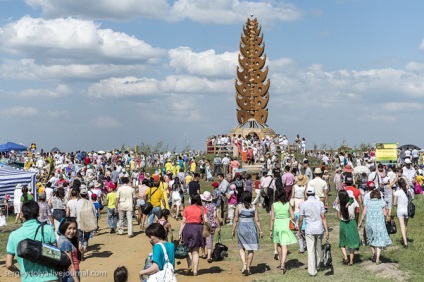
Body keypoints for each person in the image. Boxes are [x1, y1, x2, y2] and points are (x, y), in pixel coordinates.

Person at [6, 200, 58, 281]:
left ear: (22, 215)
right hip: (50, 278)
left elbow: (9, 264)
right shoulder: (47, 229)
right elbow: (57, 256)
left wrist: (20, 273)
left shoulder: (13, 235)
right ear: (38, 213)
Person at [298, 186, 329, 277]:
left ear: (306, 194)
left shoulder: (303, 204)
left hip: (309, 229)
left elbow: (300, 219)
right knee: (318, 248)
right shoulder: (320, 203)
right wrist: (327, 230)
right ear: (314, 193)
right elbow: (323, 217)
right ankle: (318, 265)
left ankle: (312, 270)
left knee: (311, 250)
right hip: (319, 228)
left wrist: (299, 229)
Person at [231, 191, 264, 276]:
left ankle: (244, 264)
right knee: (251, 248)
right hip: (251, 228)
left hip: (242, 227)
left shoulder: (239, 206)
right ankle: (248, 268)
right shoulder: (253, 207)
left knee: (241, 247)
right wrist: (260, 230)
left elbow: (236, 219)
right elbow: (257, 220)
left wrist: (233, 230)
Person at [358, 189, 392, 265]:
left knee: (371, 239)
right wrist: (388, 218)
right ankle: (377, 258)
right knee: (379, 241)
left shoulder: (368, 202)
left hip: (369, 224)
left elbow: (363, 213)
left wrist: (360, 223)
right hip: (379, 224)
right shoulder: (381, 202)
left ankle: (374, 254)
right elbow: (385, 213)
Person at [178, 194, 208, 276]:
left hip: (188, 228)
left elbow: (183, 221)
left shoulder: (187, 208)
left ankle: (190, 266)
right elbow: (206, 220)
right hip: (198, 229)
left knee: (188, 250)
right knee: (196, 251)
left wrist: (180, 232)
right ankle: (195, 271)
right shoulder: (202, 208)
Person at [270, 188, 297, 274]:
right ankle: (283, 263)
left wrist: (270, 229)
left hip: (277, 224)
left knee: (278, 243)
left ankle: (281, 260)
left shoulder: (274, 205)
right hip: (286, 224)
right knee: (284, 245)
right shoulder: (287, 204)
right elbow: (293, 216)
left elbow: (272, 218)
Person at [336, 190, 360, 266]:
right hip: (352, 222)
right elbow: (356, 211)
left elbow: (338, 217)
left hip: (343, 223)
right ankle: (351, 261)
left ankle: (345, 257)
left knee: (342, 242)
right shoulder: (352, 202)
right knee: (352, 243)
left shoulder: (339, 205)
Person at [200, 191, 221, 263]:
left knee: (202, 239)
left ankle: (203, 253)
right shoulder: (213, 206)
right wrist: (218, 226)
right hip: (211, 224)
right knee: (210, 239)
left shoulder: (201, 206)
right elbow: (215, 216)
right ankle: (209, 255)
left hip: (202, 224)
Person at [57, 217, 81, 282]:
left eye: (74, 228)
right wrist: (76, 280)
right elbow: (70, 265)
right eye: (69, 228)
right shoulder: (65, 243)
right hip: (71, 275)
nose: (72, 231)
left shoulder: (64, 239)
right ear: (64, 228)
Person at [393, 178, 410, 248]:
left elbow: (394, 203)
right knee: (405, 225)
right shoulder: (407, 190)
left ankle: (405, 242)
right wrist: (406, 179)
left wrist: (397, 205)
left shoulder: (397, 192)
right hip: (407, 210)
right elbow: (408, 185)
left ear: (398, 185)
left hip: (400, 210)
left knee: (402, 226)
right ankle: (405, 238)